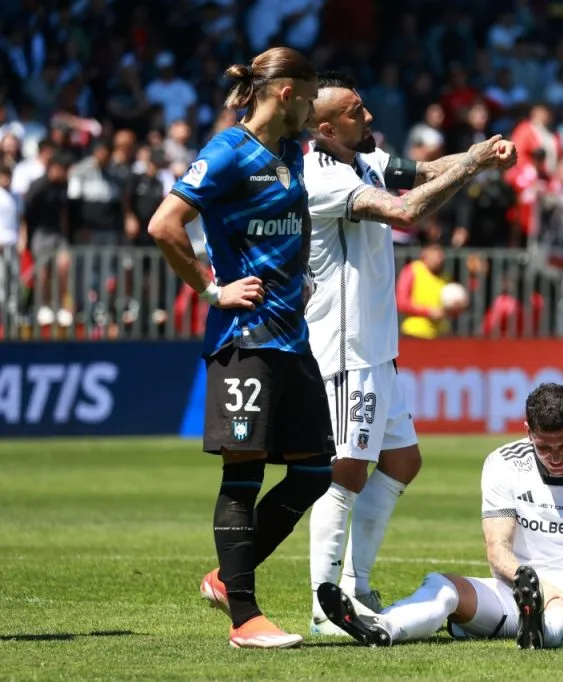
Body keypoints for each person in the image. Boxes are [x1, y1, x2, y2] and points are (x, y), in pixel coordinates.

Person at [301, 71, 516, 636]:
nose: (369, 117)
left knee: (402, 461)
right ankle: (326, 606)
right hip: (345, 345)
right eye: (356, 111)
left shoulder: (363, 159)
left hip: (378, 345)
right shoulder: (320, 175)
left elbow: (421, 172)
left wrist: (476, 155)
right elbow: (403, 212)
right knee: (346, 470)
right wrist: (471, 167)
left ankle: (357, 586)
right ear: (325, 128)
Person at [147, 47, 332, 649]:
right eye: (310, 94)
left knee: (314, 470)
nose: (313, 107)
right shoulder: (227, 151)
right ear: (286, 94)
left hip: (291, 336)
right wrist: (211, 287)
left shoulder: (293, 152)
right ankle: (245, 618)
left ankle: (226, 578)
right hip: (244, 337)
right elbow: (164, 224)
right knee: (244, 470)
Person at [315, 383, 563, 649]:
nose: (555, 457)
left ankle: (539, 633)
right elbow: (497, 549)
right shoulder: (503, 463)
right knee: (442, 585)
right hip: (522, 587)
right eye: (543, 447)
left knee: (560, 614)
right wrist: (533, 585)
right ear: (527, 431)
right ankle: (381, 628)